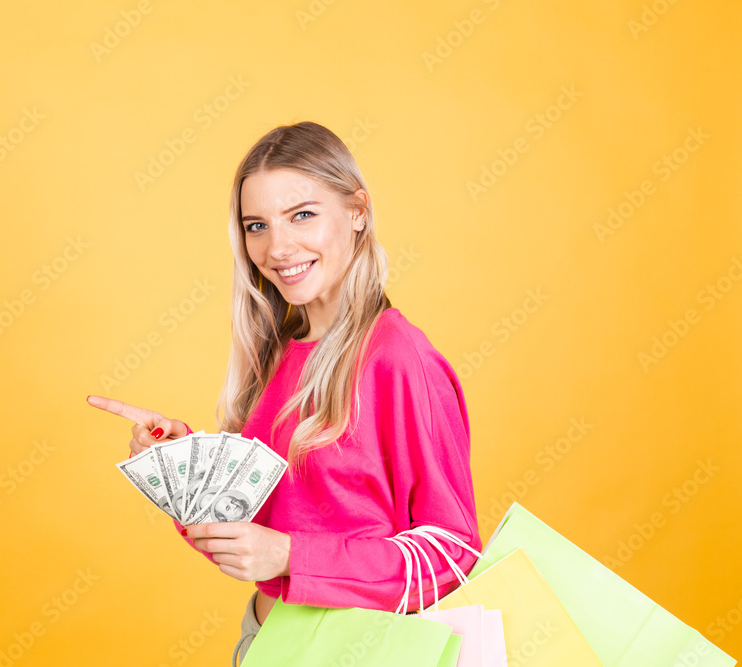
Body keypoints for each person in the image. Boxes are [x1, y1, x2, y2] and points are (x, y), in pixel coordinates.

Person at [88, 121, 481, 666]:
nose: (278, 247)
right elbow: (252, 540)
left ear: (357, 211)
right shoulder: (274, 354)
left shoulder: (396, 357)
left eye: (302, 215)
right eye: (257, 225)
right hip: (265, 644)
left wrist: (291, 555)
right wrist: (180, 470)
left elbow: (452, 552)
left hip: (363, 653)